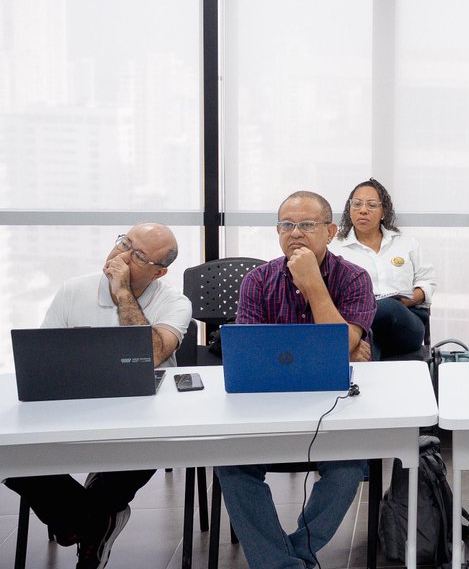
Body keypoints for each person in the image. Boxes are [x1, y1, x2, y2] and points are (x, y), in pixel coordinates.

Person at [4, 224, 190, 569]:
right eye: (123, 242)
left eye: (135, 255)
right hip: (75, 406)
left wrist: (122, 293)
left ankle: (80, 522)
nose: (119, 256)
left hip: (146, 415)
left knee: (144, 451)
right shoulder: (73, 290)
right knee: (10, 455)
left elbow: (151, 354)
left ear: (159, 271)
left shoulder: (174, 301)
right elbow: (44, 357)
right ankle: (92, 523)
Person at [215, 190, 377, 569]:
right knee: (231, 466)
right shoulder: (257, 280)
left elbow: (342, 346)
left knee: (350, 465)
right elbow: (253, 354)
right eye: (287, 225)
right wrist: (337, 345)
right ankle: (284, 564)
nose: (295, 233)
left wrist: (313, 285)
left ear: (331, 231)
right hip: (265, 406)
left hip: (332, 405)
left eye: (306, 225)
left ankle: (291, 555)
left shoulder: (354, 278)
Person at [331, 177, 437, 358]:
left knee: (386, 307)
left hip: (406, 320)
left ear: (383, 211)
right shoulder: (334, 248)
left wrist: (406, 301)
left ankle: (357, 353)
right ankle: (367, 357)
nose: (363, 210)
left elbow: (427, 283)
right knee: (371, 329)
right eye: (356, 204)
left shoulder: (406, 243)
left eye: (371, 205)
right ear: (349, 209)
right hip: (354, 323)